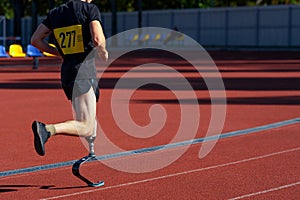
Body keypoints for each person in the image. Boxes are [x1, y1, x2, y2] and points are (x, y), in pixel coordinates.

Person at [30, 0, 108, 156]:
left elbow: (35, 40)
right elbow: (98, 40)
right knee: (86, 126)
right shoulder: (89, 9)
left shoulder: (55, 13)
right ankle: (47, 130)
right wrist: (104, 52)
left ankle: (91, 150)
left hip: (68, 72)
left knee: (89, 122)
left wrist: (60, 53)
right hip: (83, 71)